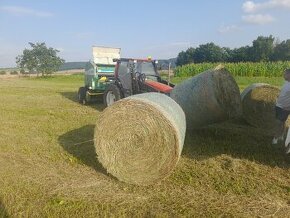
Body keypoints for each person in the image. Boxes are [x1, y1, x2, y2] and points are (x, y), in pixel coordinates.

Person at [272, 68, 290, 154]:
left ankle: (275, 138)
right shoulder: (286, 83)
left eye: (285, 74)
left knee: (278, 122)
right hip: (279, 105)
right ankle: (282, 135)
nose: (284, 75)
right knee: (282, 122)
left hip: (285, 108)